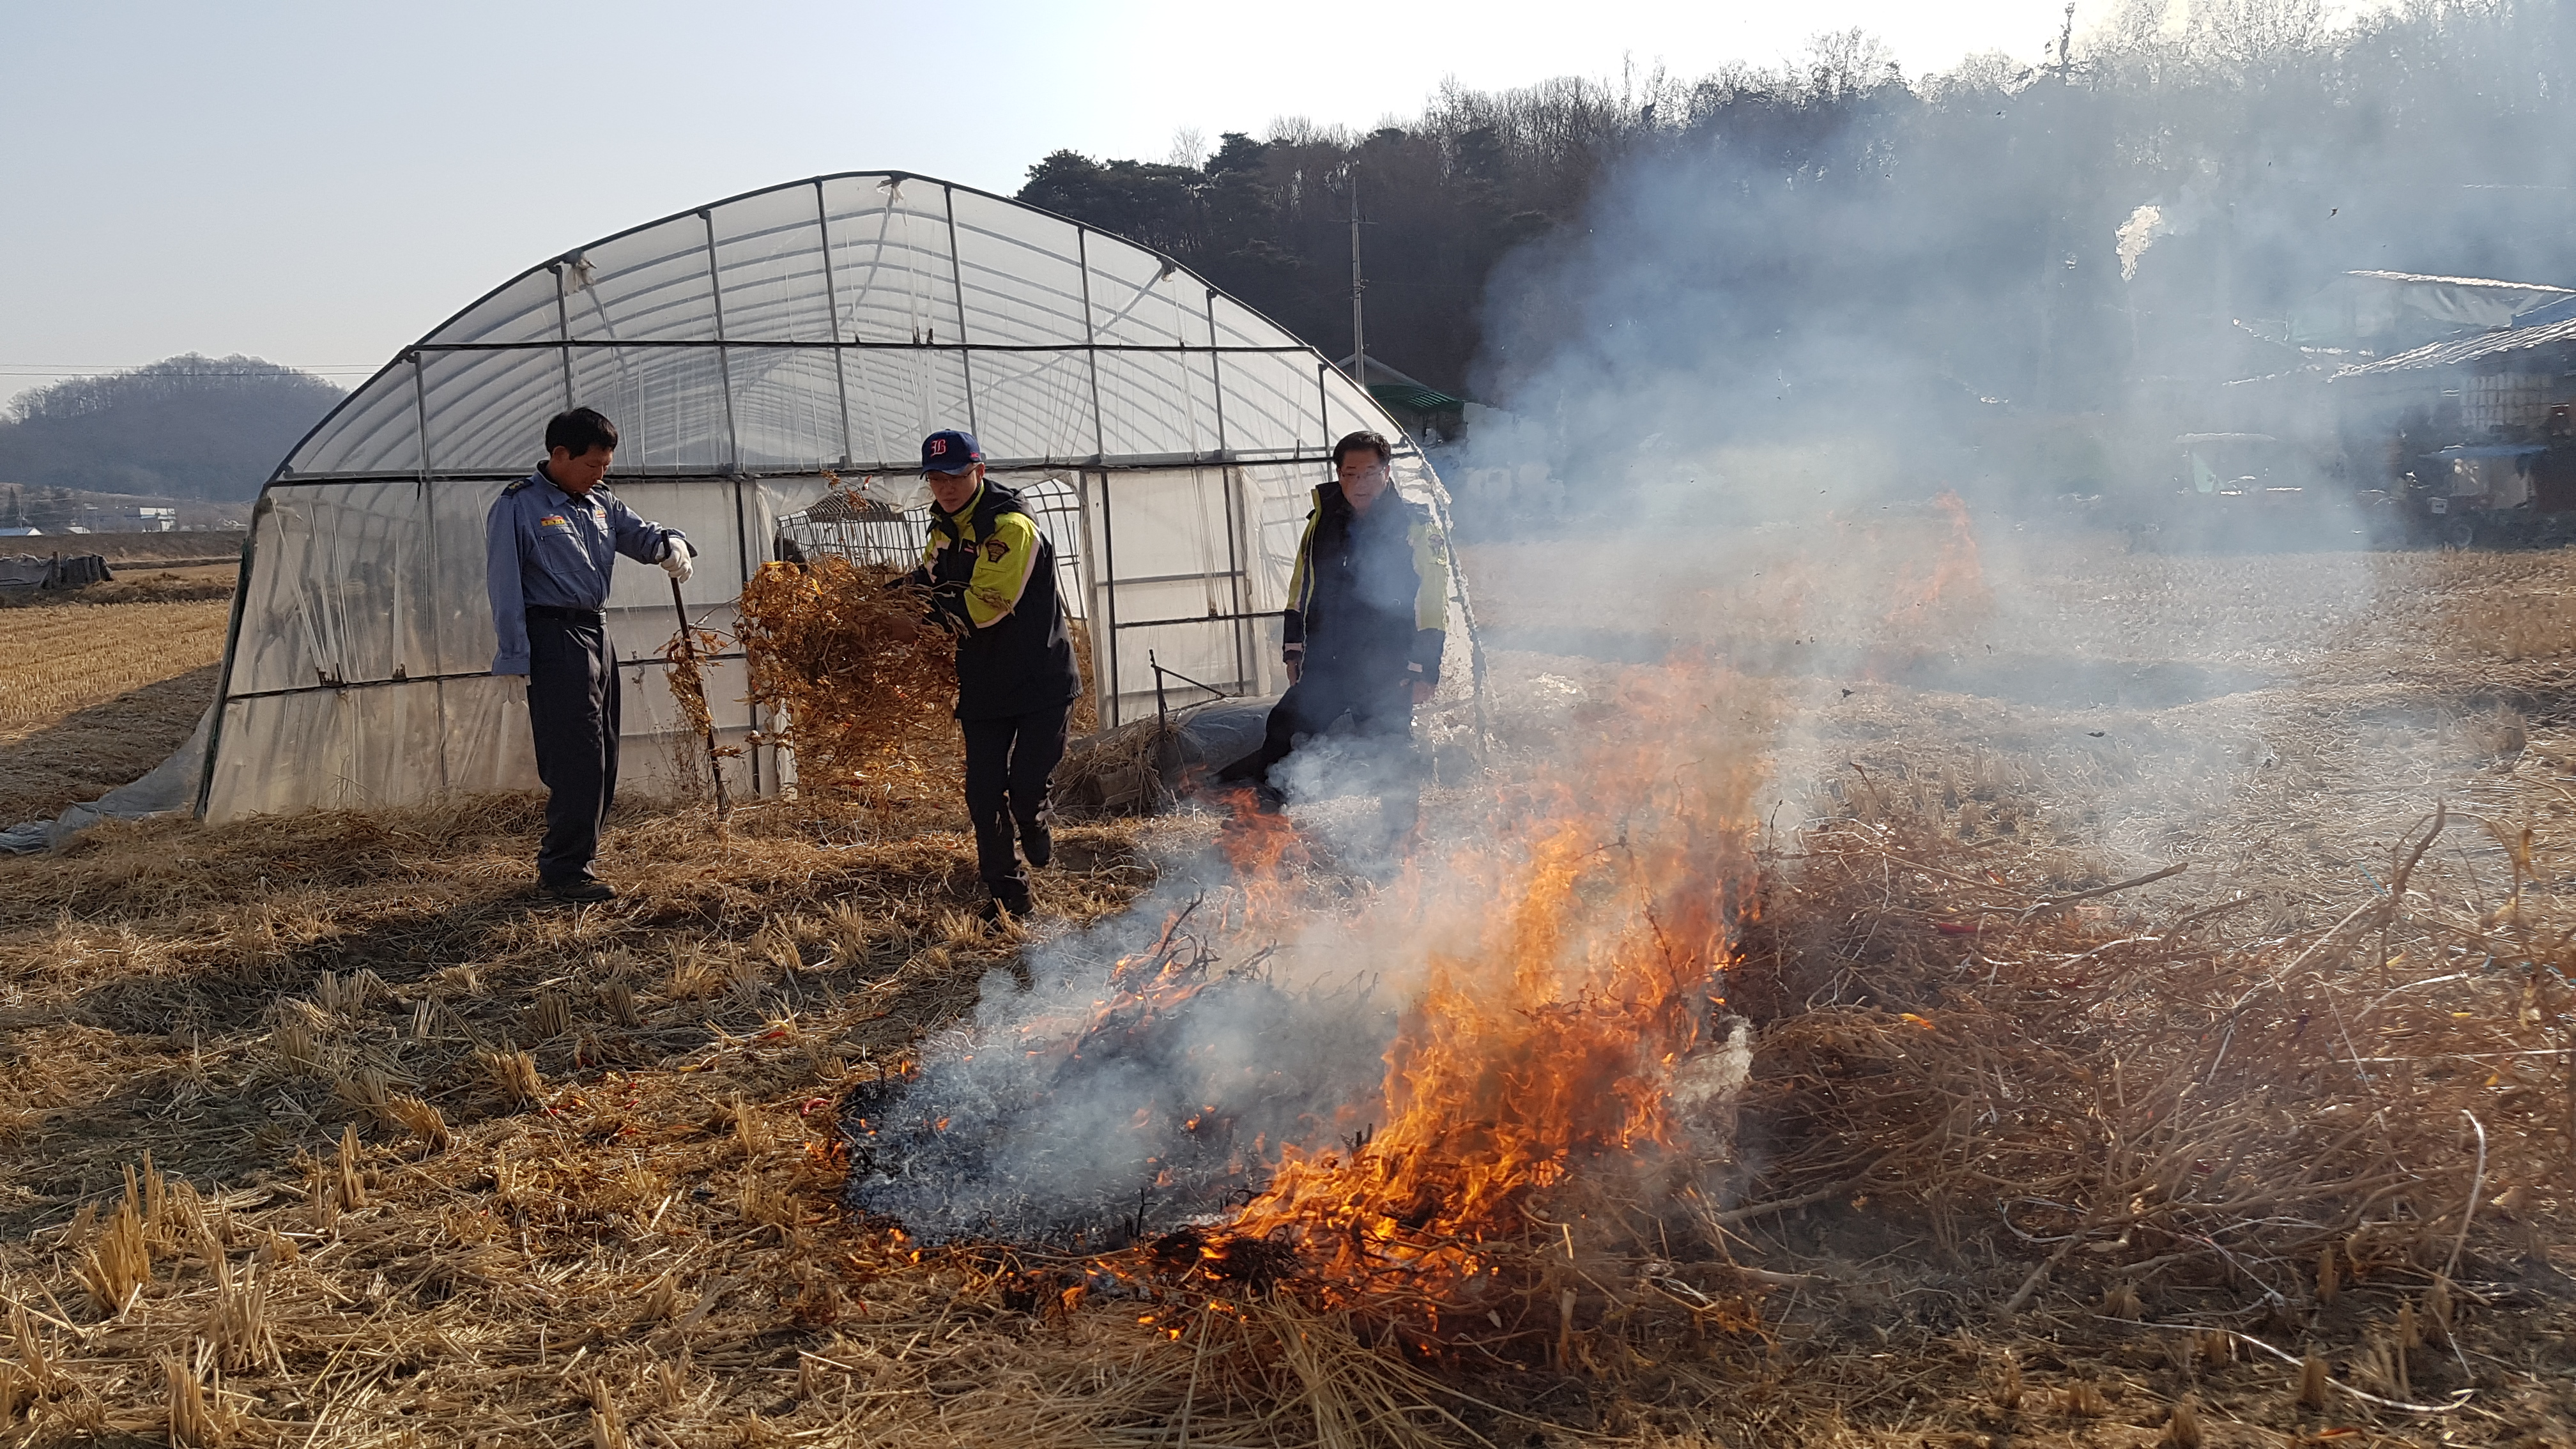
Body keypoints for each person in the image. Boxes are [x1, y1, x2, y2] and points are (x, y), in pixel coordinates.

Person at [485, 407, 693, 902]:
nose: (600, 474)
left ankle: (582, 857)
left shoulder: (601, 503)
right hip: (553, 635)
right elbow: (504, 584)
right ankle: (563, 869)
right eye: (592, 465)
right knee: (576, 755)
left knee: (605, 751)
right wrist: (514, 655)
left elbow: (641, 535)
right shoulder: (519, 505)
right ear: (560, 455)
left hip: (597, 632)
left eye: (605, 466)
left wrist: (671, 543)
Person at [1217, 431, 1448, 839]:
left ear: (1387, 472)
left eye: (1370, 473)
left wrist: (1424, 667)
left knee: (1391, 748)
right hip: (1329, 661)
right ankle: (1263, 819)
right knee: (1286, 726)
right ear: (1338, 474)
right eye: (1350, 474)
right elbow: (1301, 584)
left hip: (1387, 667)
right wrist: (1294, 647)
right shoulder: (1323, 519)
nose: (1360, 484)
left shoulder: (1413, 525)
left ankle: (1400, 838)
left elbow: (1432, 598)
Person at [902, 429, 1083, 921]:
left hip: (1040, 679)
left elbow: (987, 606)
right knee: (983, 796)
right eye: (936, 479)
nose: (946, 488)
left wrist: (917, 621)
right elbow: (929, 578)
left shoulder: (1010, 527)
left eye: (956, 476)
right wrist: (884, 600)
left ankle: (1034, 820)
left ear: (979, 472)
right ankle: (1010, 899)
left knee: (1024, 789)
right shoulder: (944, 526)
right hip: (983, 682)